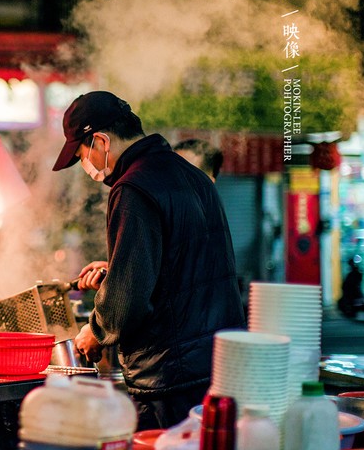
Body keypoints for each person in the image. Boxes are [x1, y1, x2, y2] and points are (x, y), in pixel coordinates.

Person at [53, 91, 245, 430]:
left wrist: (95, 330)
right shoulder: (194, 177)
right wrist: (118, 270)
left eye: (84, 155)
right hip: (218, 367)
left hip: (169, 378)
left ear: (101, 141)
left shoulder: (132, 188)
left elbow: (127, 301)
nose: (88, 166)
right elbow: (186, 261)